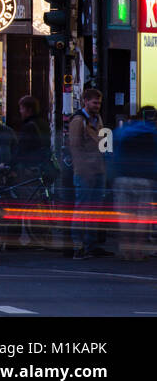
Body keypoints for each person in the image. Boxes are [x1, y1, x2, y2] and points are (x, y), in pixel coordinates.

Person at [68, 88, 111, 259]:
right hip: (85, 172)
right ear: (85, 101)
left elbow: (101, 143)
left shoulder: (97, 118)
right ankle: (78, 246)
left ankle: (90, 245)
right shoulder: (78, 121)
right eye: (94, 102)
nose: (97, 106)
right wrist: (83, 169)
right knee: (82, 208)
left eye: (99, 103)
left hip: (98, 170)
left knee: (95, 209)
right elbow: (75, 148)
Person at [110, 106, 157, 260]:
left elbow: (113, 153)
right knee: (143, 217)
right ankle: (137, 251)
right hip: (145, 180)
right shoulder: (153, 131)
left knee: (125, 217)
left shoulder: (124, 130)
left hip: (123, 178)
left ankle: (126, 250)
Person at [12, 96, 53, 180]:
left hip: (31, 168)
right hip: (43, 166)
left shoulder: (28, 126)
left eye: (22, 108)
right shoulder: (43, 123)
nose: (20, 111)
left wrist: (10, 165)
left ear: (29, 110)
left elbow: (22, 148)